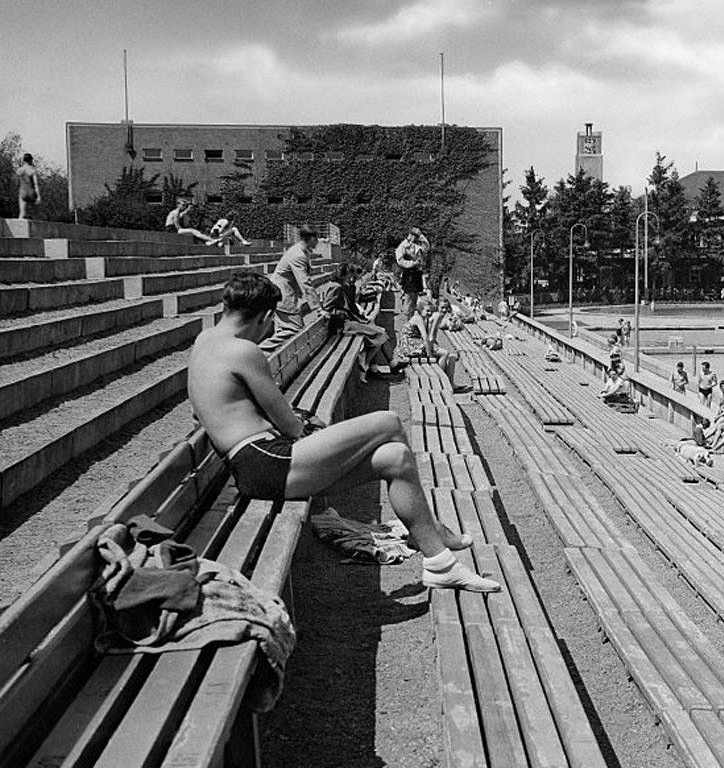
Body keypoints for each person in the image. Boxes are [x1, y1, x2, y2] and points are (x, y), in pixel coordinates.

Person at [187, 272, 498, 592]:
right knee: (388, 422)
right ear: (266, 315)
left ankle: (439, 563)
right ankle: (432, 529)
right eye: (273, 322)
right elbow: (290, 426)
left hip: (257, 462)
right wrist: (313, 430)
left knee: (396, 458)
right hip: (266, 461)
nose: (272, 329)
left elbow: (203, 411)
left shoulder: (204, 342)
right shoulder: (242, 351)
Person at [319, 262, 395, 382]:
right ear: (341, 275)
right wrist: (339, 314)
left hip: (348, 322)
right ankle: (365, 365)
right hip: (343, 325)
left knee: (379, 333)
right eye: (349, 275)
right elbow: (327, 308)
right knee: (380, 334)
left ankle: (369, 364)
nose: (351, 278)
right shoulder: (336, 287)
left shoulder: (340, 286)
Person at [262, 227, 320, 349]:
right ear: (312, 238)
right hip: (283, 296)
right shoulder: (298, 255)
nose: (318, 242)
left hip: (283, 295)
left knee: (287, 331)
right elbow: (305, 283)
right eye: (317, 239)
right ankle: (259, 354)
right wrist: (318, 308)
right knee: (294, 331)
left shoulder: (301, 251)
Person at [394, 228, 430, 318]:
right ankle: (407, 324)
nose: (414, 237)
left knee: (415, 299)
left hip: (417, 273)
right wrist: (412, 263)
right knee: (409, 299)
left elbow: (427, 247)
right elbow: (400, 260)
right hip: (409, 273)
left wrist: (421, 236)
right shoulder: (403, 245)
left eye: (416, 236)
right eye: (413, 235)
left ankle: (411, 321)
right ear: (409, 235)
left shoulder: (418, 244)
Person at [16, 153, 40, 219]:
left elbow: (17, 182)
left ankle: (19, 226)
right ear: (31, 160)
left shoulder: (19, 170)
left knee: (22, 212)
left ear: (23, 160)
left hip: (23, 192)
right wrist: (38, 196)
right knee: (34, 213)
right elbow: (36, 184)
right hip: (31, 192)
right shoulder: (32, 170)